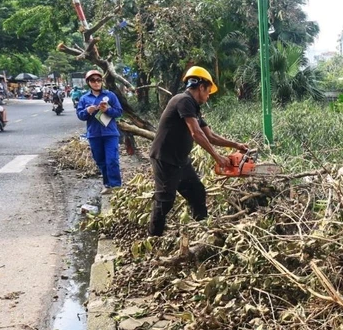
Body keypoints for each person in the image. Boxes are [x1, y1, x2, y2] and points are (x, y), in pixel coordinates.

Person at [147, 66, 248, 237]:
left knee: (197, 192)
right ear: (201, 87)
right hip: (165, 159)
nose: (208, 97)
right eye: (208, 92)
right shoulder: (183, 100)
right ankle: (153, 236)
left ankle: (202, 232)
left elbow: (210, 136)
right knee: (165, 201)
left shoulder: (193, 107)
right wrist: (217, 157)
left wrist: (236, 145)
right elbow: (196, 133)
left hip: (180, 160)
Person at [76, 70, 123, 194]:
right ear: (88, 83)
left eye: (98, 80)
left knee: (112, 159)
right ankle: (107, 185)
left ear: (102, 81)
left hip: (110, 133)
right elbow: (80, 115)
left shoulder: (110, 95)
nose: (96, 83)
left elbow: (119, 112)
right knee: (100, 160)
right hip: (94, 134)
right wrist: (88, 111)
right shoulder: (84, 98)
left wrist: (107, 109)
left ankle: (116, 185)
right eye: (93, 80)